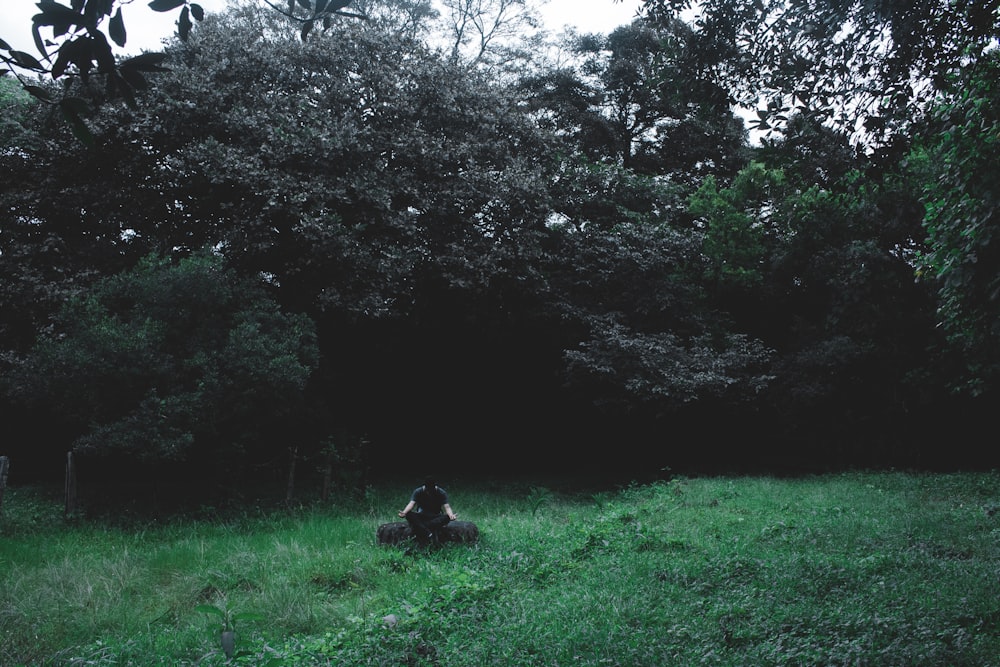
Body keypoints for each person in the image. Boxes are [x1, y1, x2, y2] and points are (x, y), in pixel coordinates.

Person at [398, 477, 458, 545]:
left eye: (431, 489)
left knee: (446, 517)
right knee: (409, 515)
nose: (429, 491)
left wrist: (451, 515)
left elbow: (447, 507)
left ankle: (422, 528)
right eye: (427, 490)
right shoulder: (418, 491)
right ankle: (426, 531)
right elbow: (412, 503)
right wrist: (404, 512)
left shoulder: (441, 492)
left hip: (435, 516)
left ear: (434, 487)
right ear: (425, 487)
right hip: (422, 515)